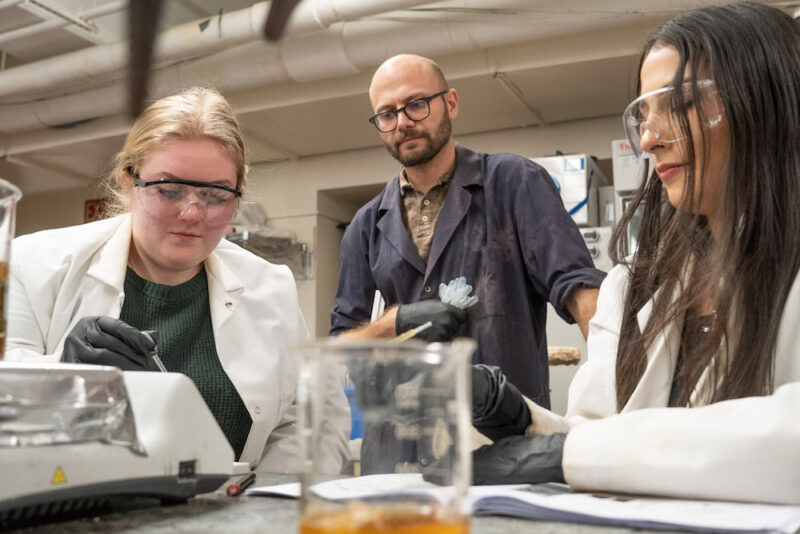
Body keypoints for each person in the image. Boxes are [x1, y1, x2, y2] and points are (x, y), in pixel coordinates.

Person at [470, 2, 800, 505]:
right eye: (642, 115)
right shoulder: (632, 288)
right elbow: (598, 436)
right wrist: (520, 418)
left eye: (682, 105)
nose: (648, 139)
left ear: (767, 101)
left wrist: (564, 454)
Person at [6, 87, 349, 473]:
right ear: (127, 181)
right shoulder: (33, 263)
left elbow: (314, 418)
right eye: (169, 190)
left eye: (216, 195)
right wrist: (60, 374)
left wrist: (263, 506)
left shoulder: (271, 288)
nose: (191, 213)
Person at [330, 54, 605, 407]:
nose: (402, 122)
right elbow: (338, 351)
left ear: (451, 103)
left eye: (416, 105)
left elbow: (580, 287)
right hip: (406, 437)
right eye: (387, 114)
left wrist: (612, 388)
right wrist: (394, 321)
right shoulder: (365, 226)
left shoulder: (514, 182)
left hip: (506, 435)